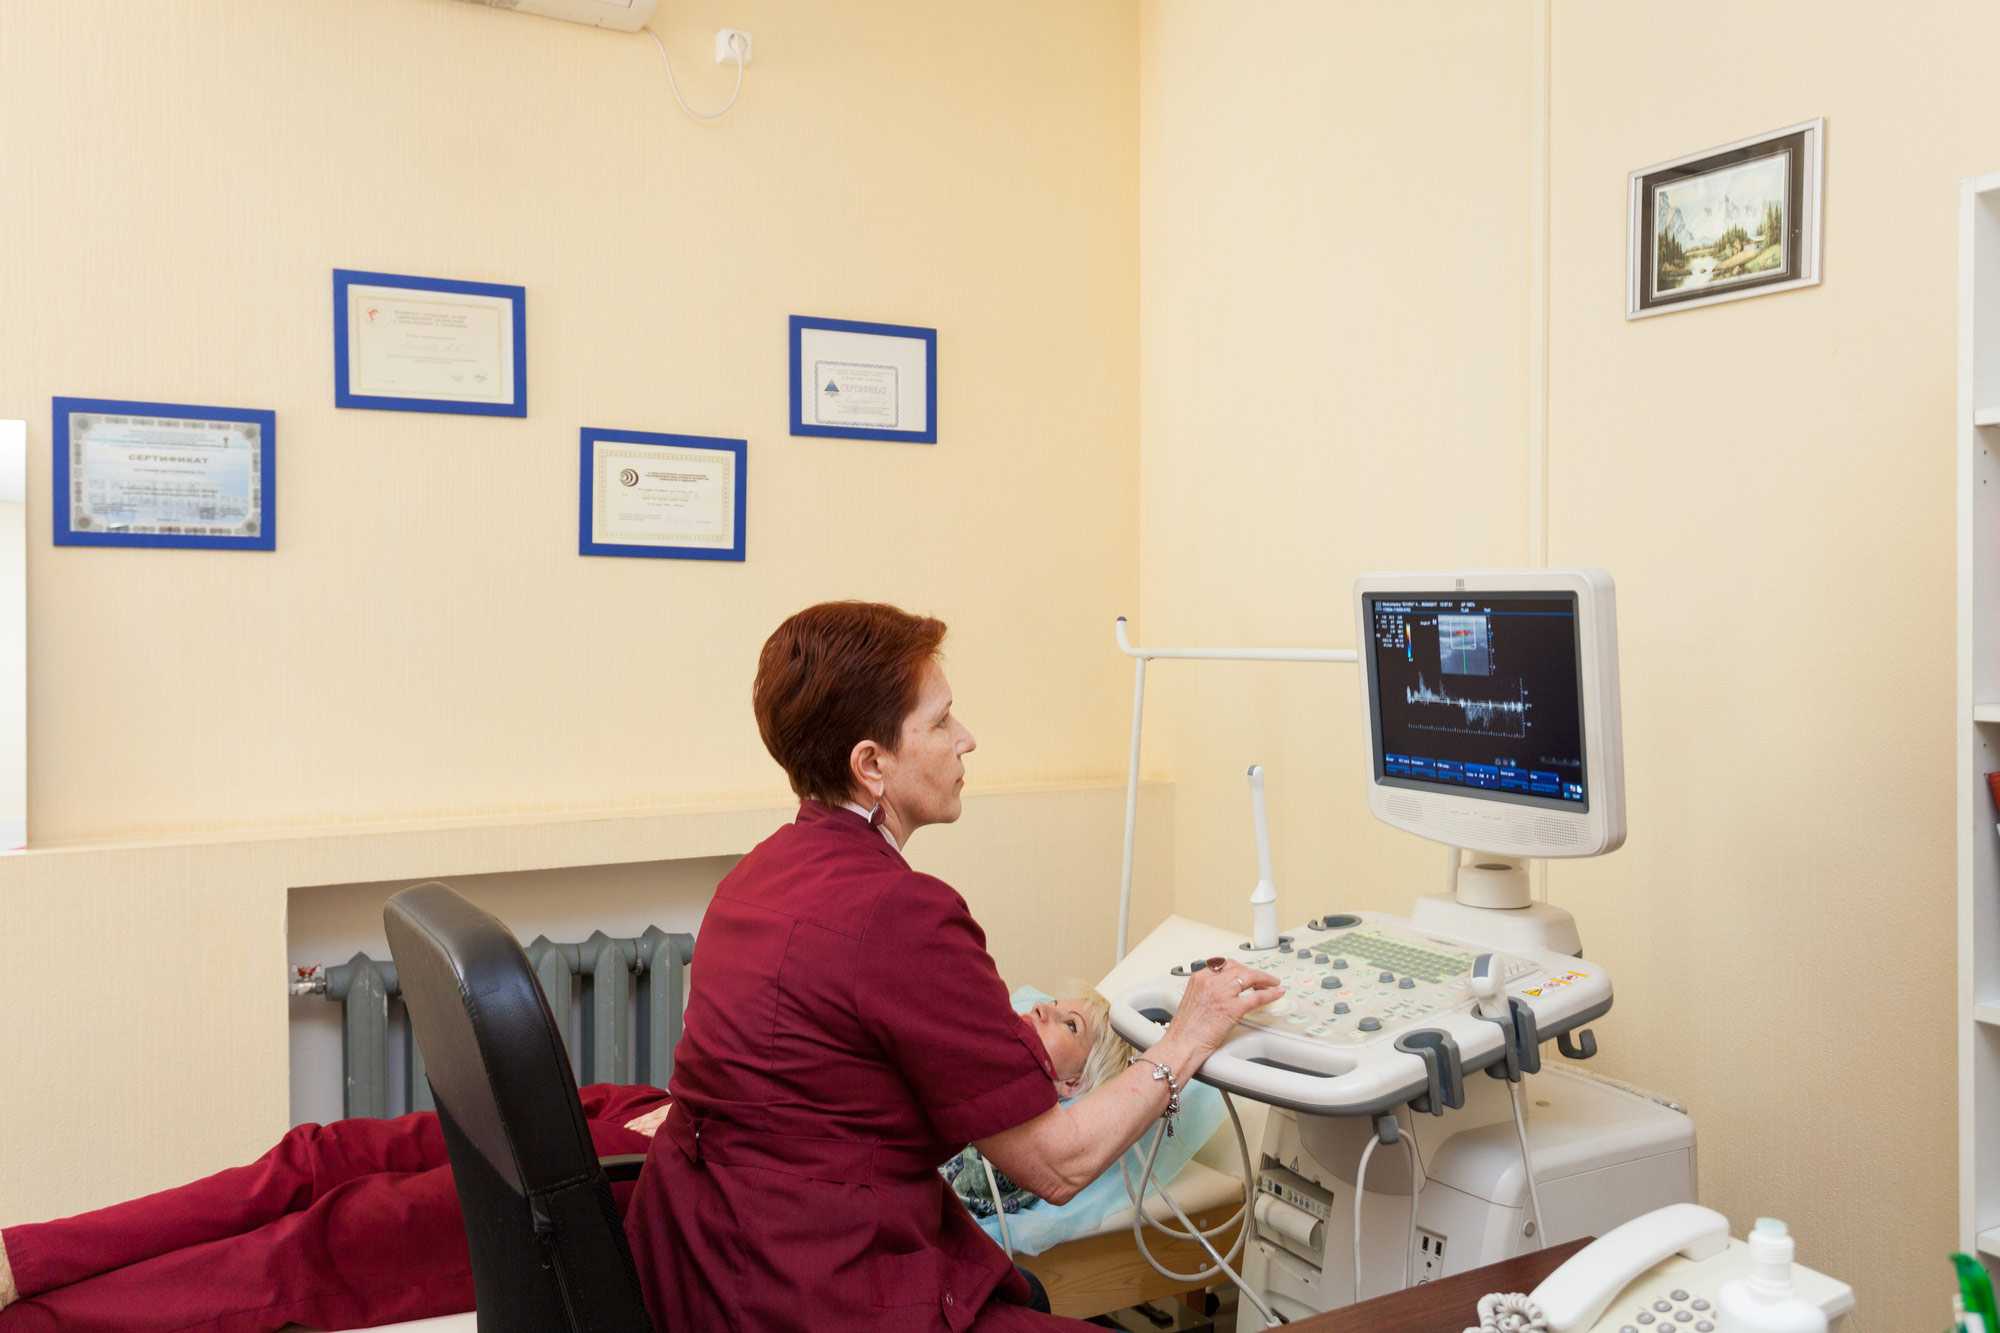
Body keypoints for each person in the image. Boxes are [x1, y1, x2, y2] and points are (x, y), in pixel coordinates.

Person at [624, 601, 1282, 1332]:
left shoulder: (758, 874)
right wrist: (1187, 1036)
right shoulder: (902, 914)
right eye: (940, 722)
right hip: (814, 1291)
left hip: (695, 1265)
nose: (966, 738)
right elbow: (1057, 1166)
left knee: (1023, 1291)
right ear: (871, 764)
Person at [0, 985, 1129, 1332]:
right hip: (639, 1115)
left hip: (638, 1192)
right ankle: (25, 1255)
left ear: (1074, 1086)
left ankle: (37, 1319)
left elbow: (938, 1197)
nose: (1042, 1009)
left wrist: (1160, 1063)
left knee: (326, 1242)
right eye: (1050, 998)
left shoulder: (1001, 1123)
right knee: (318, 1153)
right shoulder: (944, 1016)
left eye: (1070, 1022)